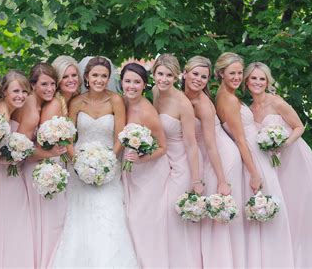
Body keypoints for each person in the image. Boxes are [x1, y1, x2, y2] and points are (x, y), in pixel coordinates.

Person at [52, 56, 138, 267]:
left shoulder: (116, 101)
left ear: (109, 78)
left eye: (104, 76)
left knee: (109, 216)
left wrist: (108, 161)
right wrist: (79, 163)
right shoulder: (76, 102)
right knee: (80, 220)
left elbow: (120, 136)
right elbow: (69, 137)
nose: (99, 80)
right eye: (95, 75)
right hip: (79, 168)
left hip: (109, 168)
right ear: (87, 77)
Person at [215, 52, 294, 267]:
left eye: (240, 73)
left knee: (267, 210)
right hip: (252, 157)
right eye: (232, 73)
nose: (237, 77)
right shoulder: (228, 99)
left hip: (254, 152)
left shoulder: (226, 95)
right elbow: (240, 140)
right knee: (269, 208)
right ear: (221, 73)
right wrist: (254, 173)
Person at [245, 61, 312, 268]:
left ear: (267, 81)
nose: (258, 82)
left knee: (299, 207)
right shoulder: (249, 109)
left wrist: (282, 144)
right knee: (284, 205)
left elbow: (298, 127)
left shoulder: (276, 102)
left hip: (293, 158)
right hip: (273, 163)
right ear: (247, 81)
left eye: (262, 78)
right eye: (253, 78)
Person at [182, 55, 246, 267]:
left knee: (215, 212)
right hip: (203, 156)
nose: (199, 80)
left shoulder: (203, 105)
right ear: (185, 73)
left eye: (204, 77)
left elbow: (211, 145)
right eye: (196, 74)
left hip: (220, 158)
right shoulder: (180, 97)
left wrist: (222, 180)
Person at [13, 62, 68, 268]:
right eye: (44, 84)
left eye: (53, 84)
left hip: (38, 164)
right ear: (33, 85)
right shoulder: (31, 109)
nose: (50, 89)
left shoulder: (40, 105)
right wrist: (50, 153)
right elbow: (22, 149)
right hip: (32, 168)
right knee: (47, 220)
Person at [152, 54, 203, 268]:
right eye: (160, 74)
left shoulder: (183, 104)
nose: (163, 79)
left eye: (169, 75)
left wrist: (196, 179)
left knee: (171, 214)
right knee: (155, 213)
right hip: (162, 159)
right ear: (154, 74)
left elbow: (191, 145)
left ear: (177, 76)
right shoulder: (155, 92)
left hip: (182, 162)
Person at [120, 62, 169, 268]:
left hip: (149, 172)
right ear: (121, 82)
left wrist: (141, 159)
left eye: (137, 82)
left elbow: (162, 147)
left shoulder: (147, 111)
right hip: (129, 169)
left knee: (140, 219)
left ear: (144, 85)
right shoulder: (121, 102)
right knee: (128, 219)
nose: (131, 86)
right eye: (128, 81)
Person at [0, 70, 36, 268]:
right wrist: (1, 160)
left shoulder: (12, 110)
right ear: (4, 92)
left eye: (25, 91)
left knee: (16, 220)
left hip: (11, 173)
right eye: (16, 91)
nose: (21, 95)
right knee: (9, 220)